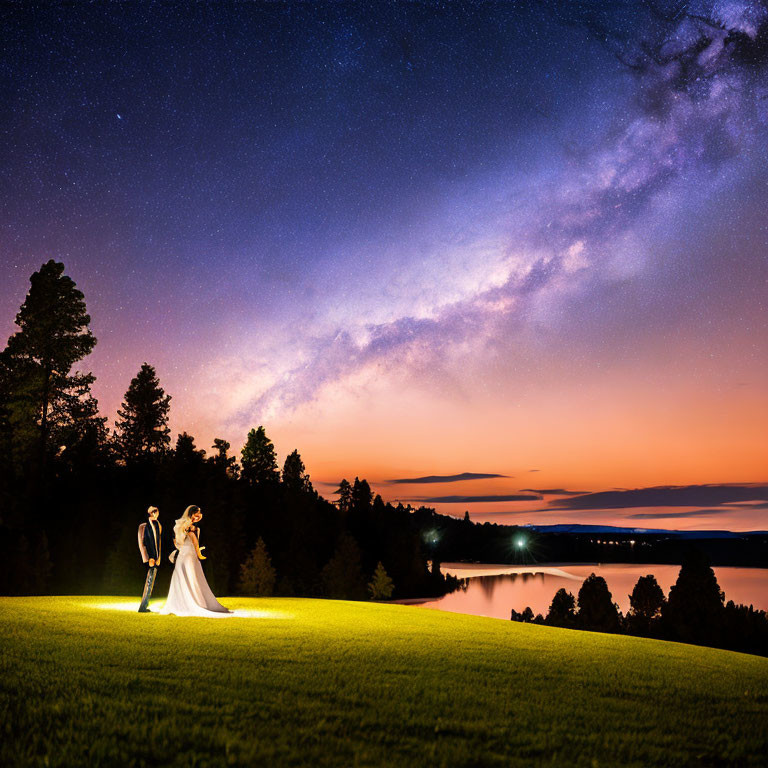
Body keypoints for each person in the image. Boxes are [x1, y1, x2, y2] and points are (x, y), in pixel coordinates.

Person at [159, 505, 232, 617]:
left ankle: (196, 601)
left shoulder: (194, 528)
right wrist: (187, 534)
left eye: (199, 514)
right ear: (191, 514)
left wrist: (197, 551)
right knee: (182, 576)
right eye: (196, 513)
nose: (198, 516)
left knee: (193, 577)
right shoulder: (185, 527)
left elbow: (193, 543)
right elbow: (182, 541)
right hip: (185, 555)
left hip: (190, 555)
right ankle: (181, 603)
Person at [137, 506, 162, 613]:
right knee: (149, 581)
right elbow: (146, 541)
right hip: (151, 557)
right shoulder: (147, 525)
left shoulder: (156, 524)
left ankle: (144, 606)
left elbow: (157, 542)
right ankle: (143, 607)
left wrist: (158, 557)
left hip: (155, 557)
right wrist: (151, 557)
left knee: (150, 581)